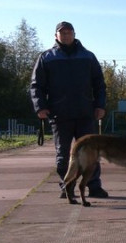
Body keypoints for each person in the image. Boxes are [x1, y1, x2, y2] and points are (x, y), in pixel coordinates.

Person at [30, 21, 108, 198]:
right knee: (63, 155)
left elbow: (99, 84)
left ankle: (94, 186)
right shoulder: (46, 57)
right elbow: (36, 86)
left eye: (69, 32)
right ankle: (67, 186)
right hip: (59, 115)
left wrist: (100, 105)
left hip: (85, 114)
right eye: (62, 33)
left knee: (91, 153)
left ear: (74, 34)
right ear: (56, 36)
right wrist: (40, 107)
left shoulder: (88, 57)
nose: (65, 35)